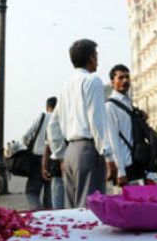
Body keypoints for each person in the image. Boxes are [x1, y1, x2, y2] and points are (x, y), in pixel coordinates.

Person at [48, 39, 116, 208]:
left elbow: (53, 125)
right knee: (90, 209)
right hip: (88, 150)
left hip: (71, 152)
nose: (98, 61)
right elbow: (96, 121)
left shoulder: (66, 84)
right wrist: (108, 156)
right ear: (91, 58)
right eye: (96, 56)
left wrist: (59, 154)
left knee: (74, 209)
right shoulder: (93, 81)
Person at [105, 64, 150, 186]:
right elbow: (112, 140)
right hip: (125, 166)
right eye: (120, 78)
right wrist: (120, 171)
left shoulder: (129, 104)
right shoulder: (110, 107)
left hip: (137, 162)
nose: (125, 80)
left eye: (127, 77)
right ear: (112, 82)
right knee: (124, 203)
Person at [23, 97, 56, 210]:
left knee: (31, 192)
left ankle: (37, 211)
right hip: (53, 159)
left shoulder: (43, 116)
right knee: (49, 194)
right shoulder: (60, 119)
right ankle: (50, 216)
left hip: (38, 157)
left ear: (47, 107)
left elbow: (26, 136)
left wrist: (28, 146)